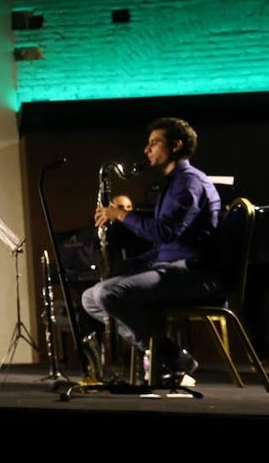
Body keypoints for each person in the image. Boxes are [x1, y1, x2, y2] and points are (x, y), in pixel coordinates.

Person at [80, 117, 222, 383]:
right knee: (90, 297)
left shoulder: (189, 183)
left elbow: (164, 232)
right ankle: (169, 354)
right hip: (171, 269)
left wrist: (119, 215)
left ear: (177, 145)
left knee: (110, 293)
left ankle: (164, 358)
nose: (147, 150)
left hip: (194, 274)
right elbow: (164, 246)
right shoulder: (173, 184)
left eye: (154, 143)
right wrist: (130, 264)